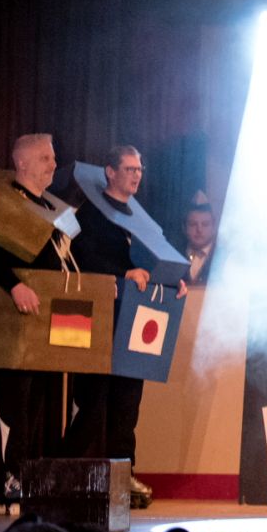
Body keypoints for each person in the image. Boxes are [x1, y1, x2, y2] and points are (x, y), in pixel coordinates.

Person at [64, 144, 181, 509]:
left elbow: (156, 257)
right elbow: (82, 258)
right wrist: (122, 274)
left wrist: (173, 279)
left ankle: (122, 475)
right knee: (93, 404)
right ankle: (64, 474)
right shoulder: (91, 214)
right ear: (110, 172)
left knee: (127, 405)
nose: (136, 175)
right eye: (129, 169)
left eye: (139, 169)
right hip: (101, 319)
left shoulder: (141, 217)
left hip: (134, 321)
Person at [0, 133, 76, 501]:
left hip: (47, 322)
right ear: (22, 163)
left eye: (53, 157)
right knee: (14, 403)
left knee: (36, 404)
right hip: (11, 323)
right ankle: (8, 479)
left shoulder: (54, 207)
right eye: (45, 158)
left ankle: (26, 474)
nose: (54, 164)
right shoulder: (4, 202)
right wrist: (14, 285)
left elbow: (69, 258)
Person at [183, 203, 217, 286]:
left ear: (213, 227)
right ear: (184, 227)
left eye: (205, 224)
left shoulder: (222, 256)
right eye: (193, 224)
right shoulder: (175, 254)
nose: (199, 230)